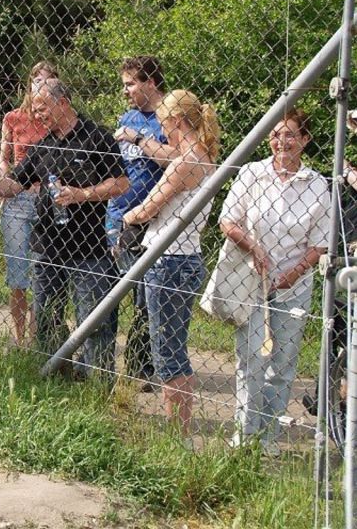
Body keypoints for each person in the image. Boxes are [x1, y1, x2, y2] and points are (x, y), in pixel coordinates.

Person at [0, 78, 129, 378]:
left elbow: (121, 183)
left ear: (63, 102)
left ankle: (97, 382)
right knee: (46, 317)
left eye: (42, 108)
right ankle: (56, 376)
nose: (38, 115)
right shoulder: (42, 146)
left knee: (93, 320)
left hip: (89, 248)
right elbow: (13, 185)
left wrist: (83, 194)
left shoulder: (97, 138)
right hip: (47, 248)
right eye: (34, 109)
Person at [219, 108, 328, 454]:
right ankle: (243, 433)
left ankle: (267, 437)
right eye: (276, 134)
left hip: (294, 286)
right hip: (251, 280)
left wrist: (293, 273)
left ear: (305, 140)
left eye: (290, 134)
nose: (281, 141)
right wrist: (253, 249)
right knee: (250, 358)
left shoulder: (317, 186)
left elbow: (321, 243)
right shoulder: (252, 174)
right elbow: (228, 220)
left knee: (282, 363)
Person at [123, 90, 219, 437]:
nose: (163, 132)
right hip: (184, 257)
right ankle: (181, 429)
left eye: (164, 124)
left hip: (169, 261)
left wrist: (126, 217)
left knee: (167, 351)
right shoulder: (205, 156)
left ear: (177, 120)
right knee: (172, 345)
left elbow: (150, 206)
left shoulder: (186, 162)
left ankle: (179, 434)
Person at [109, 56, 178, 388]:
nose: (125, 91)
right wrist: (112, 222)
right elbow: (116, 171)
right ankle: (107, 361)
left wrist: (138, 138)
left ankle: (143, 367)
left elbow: (177, 160)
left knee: (146, 299)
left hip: (156, 222)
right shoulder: (128, 117)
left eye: (130, 84)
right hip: (121, 218)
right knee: (114, 292)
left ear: (150, 83)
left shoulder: (169, 118)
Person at [0, 61, 56, 348]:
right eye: (37, 81)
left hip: (47, 199)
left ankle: (38, 336)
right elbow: (4, 157)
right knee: (18, 273)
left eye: (48, 81)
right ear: (29, 85)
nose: (41, 86)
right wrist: (3, 181)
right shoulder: (13, 118)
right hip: (18, 198)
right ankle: (19, 337)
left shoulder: (54, 120)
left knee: (42, 270)